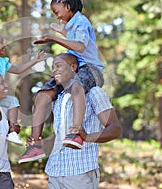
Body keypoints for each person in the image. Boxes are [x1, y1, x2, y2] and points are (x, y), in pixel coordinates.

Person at [19, 0, 105, 163]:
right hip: (73, 69)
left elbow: (80, 46)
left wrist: (54, 38)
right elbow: (74, 40)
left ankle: (76, 133)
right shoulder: (73, 25)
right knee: (42, 96)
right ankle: (35, 144)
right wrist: (60, 32)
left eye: (57, 12)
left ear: (67, 4)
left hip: (90, 69)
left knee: (76, 87)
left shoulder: (80, 21)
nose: (56, 16)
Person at [47, 53, 122, 188]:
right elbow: (60, 136)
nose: (54, 70)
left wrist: (87, 137)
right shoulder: (58, 98)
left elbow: (115, 129)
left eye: (58, 66)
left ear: (73, 67)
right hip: (54, 171)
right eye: (52, 67)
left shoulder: (94, 93)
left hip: (80, 173)